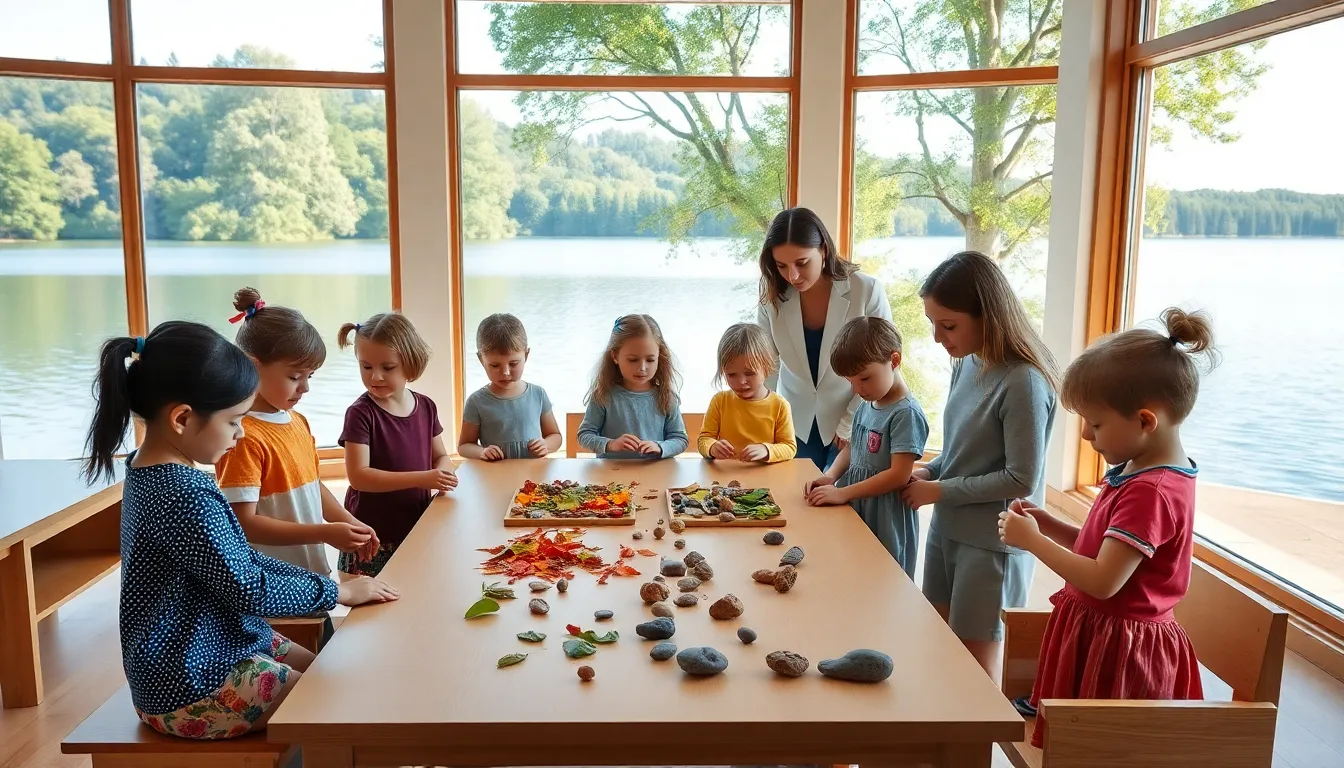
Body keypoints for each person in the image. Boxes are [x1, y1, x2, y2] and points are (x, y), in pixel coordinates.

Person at [83, 321, 398, 740]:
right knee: (339, 702)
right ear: (182, 418)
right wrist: (337, 592)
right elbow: (248, 588)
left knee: (337, 669)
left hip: (206, 651)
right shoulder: (183, 494)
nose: (241, 432)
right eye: (234, 421)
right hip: (191, 683)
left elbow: (240, 561)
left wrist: (329, 585)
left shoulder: (151, 471)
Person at [999, 307, 1215, 747]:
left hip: (1120, 651)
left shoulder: (1151, 491)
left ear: (1145, 420)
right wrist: (1049, 523)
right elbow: (1104, 553)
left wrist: (1034, 543)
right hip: (1103, 633)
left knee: (1098, 750)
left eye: (1095, 423)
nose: (1085, 436)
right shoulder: (1142, 470)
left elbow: (1103, 581)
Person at [900, 251, 1059, 681]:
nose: (937, 337)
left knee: (973, 670)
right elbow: (959, 450)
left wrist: (940, 490)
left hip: (991, 543)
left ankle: (968, 748)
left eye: (947, 325)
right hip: (947, 530)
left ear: (987, 316)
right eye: (932, 323)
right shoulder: (966, 361)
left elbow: (1021, 478)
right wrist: (930, 472)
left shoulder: (1023, 382)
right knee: (937, 648)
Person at [215, 289, 379, 644]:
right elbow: (243, 525)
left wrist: (347, 521)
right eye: (294, 376)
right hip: (271, 595)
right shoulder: (241, 436)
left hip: (308, 581)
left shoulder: (296, 421)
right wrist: (323, 533)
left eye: (310, 376)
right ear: (253, 365)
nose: (304, 387)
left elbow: (311, 484)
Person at [756, 207, 895, 471]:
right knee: (792, 501)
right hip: (793, 424)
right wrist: (768, 420)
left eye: (802, 263)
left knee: (839, 506)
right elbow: (767, 366)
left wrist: (848, 423)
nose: (792, 276)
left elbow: (884, 365)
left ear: (824, 250)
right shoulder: (772, 293)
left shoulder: (865, 289)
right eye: (781, 265)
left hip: (855, 421)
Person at [804, 317, 929, 579]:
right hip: (859, 504)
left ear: (894, 361)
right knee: (855, 573)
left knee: (884, 579)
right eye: (851, 382)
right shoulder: (866, 405)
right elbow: (852, 447)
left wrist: (843, 493)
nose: (858, 389)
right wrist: (830, 476)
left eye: (864, 379)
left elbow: (899, 475)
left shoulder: (905, 414)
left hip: (886, 516)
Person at [337, 312, 456, 577]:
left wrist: (443, 475)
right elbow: (359, 477)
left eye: (387, 368)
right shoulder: (360, 413)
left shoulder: (425, 406)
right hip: (374, 534)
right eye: (366, 367)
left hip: (415, 524)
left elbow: (441, 456)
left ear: (410, 365)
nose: (375, 377)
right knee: (374, 610)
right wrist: (423, 478)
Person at [577, 314, 689, 458]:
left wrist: (660, 447)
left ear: (659, 357)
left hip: (656, 474)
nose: (642, 367)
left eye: (650, 359)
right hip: (611, 475)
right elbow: (585, 435)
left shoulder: (666, 397)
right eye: (633, 360)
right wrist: (611, 444)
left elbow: (680, 439)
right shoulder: (604, 395)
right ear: (615, 357)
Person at [458, 313, 562, 460]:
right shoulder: (476, 401)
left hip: (534, 476)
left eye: (513, 364)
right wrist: (481, 452)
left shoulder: (538, 394)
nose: (506, 373)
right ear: (481, 359)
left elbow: (555, 436)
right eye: (495, 365)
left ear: (526, 355)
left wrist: (546, 444)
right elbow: (464, 446)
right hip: (497, 475)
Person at [697, 323, 797, 464]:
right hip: (725, 478)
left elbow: (789, 447)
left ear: (767, 367)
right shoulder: (719, 401)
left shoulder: (779, 405)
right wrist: (712, 447)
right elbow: (704, 440)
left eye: (749, 373)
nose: (741, 381)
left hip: (765, 477)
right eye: (731, 375)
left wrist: (766, 450)